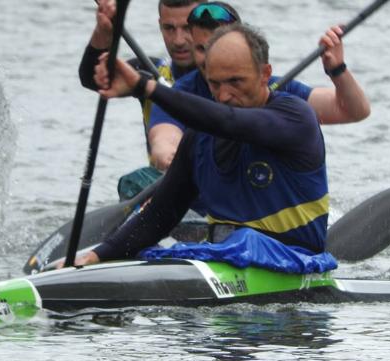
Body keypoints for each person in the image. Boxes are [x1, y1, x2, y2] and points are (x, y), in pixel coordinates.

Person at [72, 23, 337, 274]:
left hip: (297, 263)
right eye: (215, 84)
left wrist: (145, 86)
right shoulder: (198, 139)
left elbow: (229, 121)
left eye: (235, 82)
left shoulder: (295, 117)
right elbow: (159, 216)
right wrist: (98, 256)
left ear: (265, 74)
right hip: (224, 259)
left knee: (244, 240)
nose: (223, 96)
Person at [147, 1, 371, 172]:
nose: (211, 59)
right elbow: (164, 141)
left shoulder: (274, 87)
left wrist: (337, 70)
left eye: (218, 48)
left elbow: (353, 111)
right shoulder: (180, 93)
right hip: (199, 204)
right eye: (201, 49)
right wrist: (168, 156)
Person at [78, 0, 206, 198]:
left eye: (187, 28)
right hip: (167, 189)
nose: (178, 40)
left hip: (220, 189)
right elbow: (92, 78)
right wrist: (104, 33)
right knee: (133, 182)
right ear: (160, 25)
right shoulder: (147, 75)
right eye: (169, 28)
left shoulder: (230, 80)